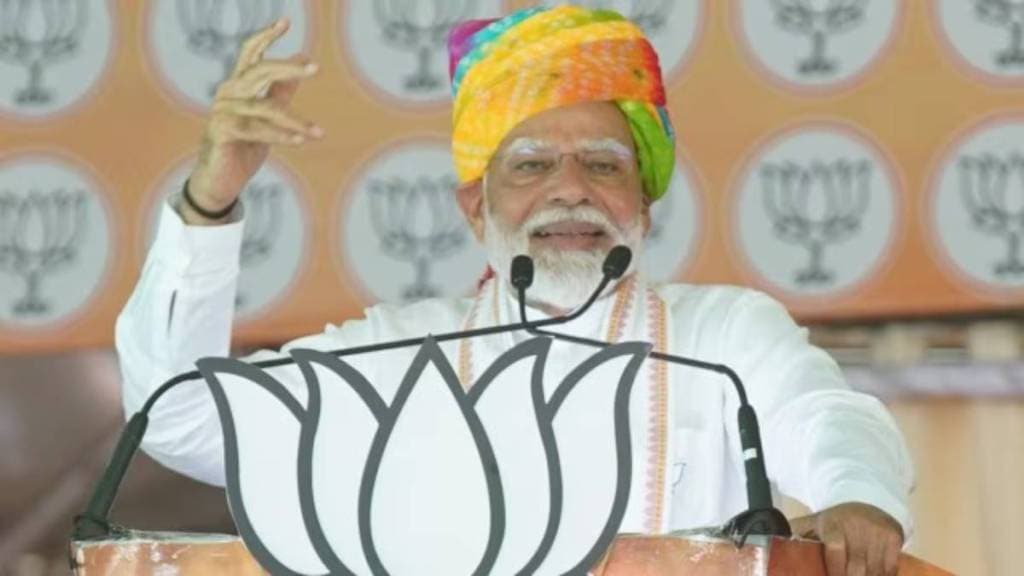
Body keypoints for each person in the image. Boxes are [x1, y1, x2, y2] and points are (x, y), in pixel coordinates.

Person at [116, 6, 913, 576]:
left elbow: (828, 418)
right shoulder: (397, 352)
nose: (570, 190)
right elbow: (179, 413)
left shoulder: (722, 335)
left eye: (603, 164)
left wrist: (857, 498)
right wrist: (209, 203)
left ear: (644, 203)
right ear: (476, 208)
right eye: (530, 165)